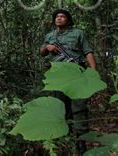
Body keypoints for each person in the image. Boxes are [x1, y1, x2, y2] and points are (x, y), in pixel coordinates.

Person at [39, 9, 97, 155]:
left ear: (68, 20)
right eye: (57, 16)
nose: (59, 18)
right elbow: (41, 52)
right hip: (57, 77)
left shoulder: (78, 33)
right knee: (61, 107)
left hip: (76, 75)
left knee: (79, 106)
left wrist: (93, 71)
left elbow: (88, 52)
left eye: (62, 16)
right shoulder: (50, 35)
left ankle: (81, 142)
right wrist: (47, 47)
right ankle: (64, 140)